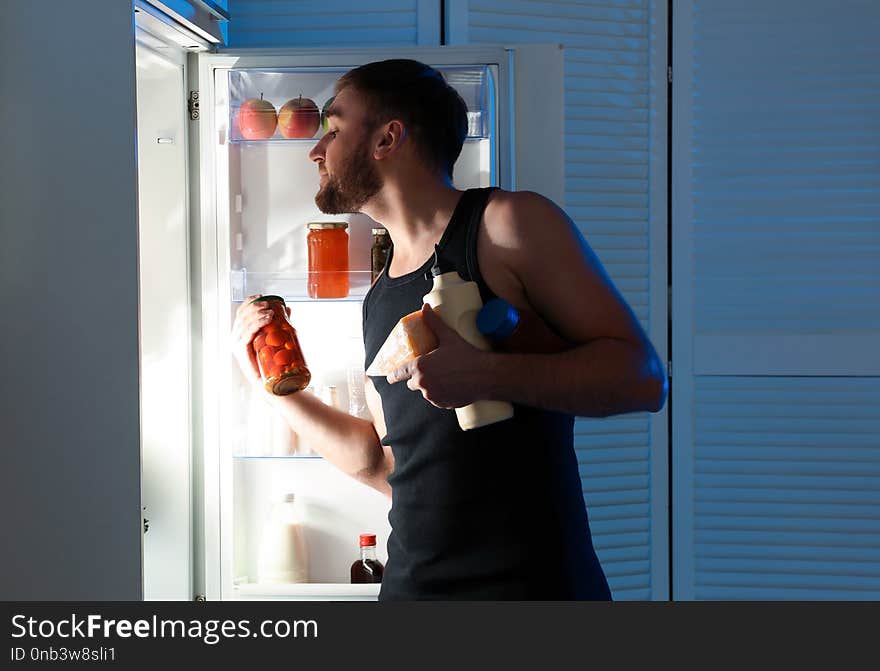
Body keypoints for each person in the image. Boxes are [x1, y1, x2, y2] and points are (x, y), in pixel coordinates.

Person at [232, 59, 667, 600]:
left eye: (335, 129)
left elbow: (643, 379)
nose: (316, 151)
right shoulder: (379, 298)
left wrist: (488, 375)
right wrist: (267, 388)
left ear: (388, 138)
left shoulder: (507, 225)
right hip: (415, 592)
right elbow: (383, 462)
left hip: (531, 589)